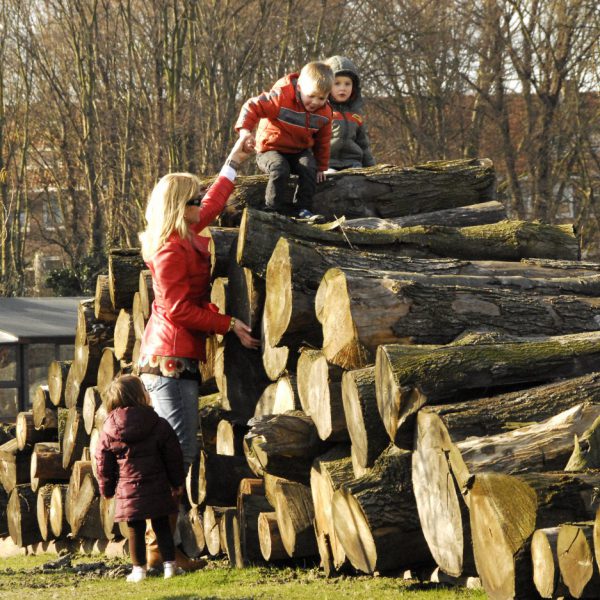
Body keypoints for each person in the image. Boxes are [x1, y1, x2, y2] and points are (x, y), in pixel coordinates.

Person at [138, 137, 260, 479]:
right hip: (168, 361)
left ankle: (162, 530)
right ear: (180, 207)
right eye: (194, 199)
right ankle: (157, 530)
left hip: (177, 357)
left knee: (180, 451)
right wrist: (229, 322)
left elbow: (214, 203)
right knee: (180, 450)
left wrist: (234, 161)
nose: (200, 204)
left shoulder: (186, 230)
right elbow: (177, 310)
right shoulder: (169, 250)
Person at [95, 374, 185, 582]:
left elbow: (103, 462)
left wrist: (107, 489)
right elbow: (173, 454)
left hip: (129, 489)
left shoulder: (109, 428)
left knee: (135, 528)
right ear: (139, 395)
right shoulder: (158, 423)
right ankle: (170, 567)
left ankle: (138, 570)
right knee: (161, 525)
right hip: (158, 485)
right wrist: (176, 482)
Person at [235, 61, 334, 222]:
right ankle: (273, 209)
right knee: (280, 168)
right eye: (311, 96)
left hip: (298, 151)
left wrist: (322, 167)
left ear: (328, 95)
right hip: (270, 148)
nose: (315, 102)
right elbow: (251, 106)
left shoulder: (325, 113)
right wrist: (245, 131)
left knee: (310, 168)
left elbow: (323, 141)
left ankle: (303, 209)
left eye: (321, 98)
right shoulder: (281, 97)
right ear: (300, 88)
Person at [324, 56, 376, 172]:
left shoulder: (355, 115)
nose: (343, 88)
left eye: (347, 84)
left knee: (359, 182)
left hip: (353, 164)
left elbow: (364, 145)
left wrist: (373, 169)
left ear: (354, 87)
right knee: (332, 179)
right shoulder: (321, 112)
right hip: (327, 164)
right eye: (337, 83)